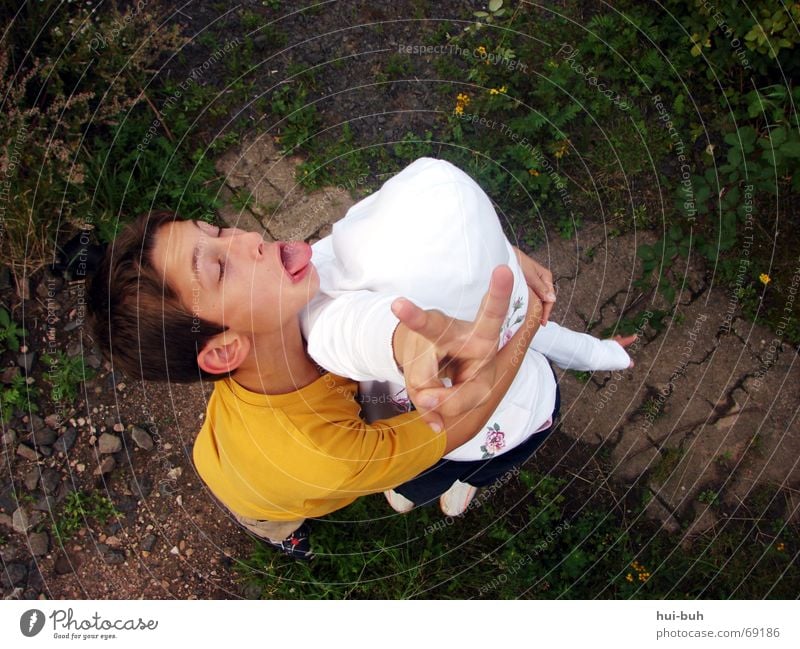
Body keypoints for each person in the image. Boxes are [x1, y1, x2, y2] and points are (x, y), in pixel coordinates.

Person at [88, 209, 549, 559]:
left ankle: (394, 484)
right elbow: (461, 422)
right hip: (264, 500)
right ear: (225, 351)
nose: (248, 237)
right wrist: (527, 319)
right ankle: (289, 537)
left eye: (216, 231)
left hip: (221, 457)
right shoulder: (326, 454)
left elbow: (398, 228)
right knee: (281, 520)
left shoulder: (283, 317)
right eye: (220, 268)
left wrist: (503, 256)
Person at [302, 158, 636, 516]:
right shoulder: (499, 293)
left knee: (440, 473)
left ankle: (428, 488)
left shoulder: (338, 294)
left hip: (478, 434)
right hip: (517, 420)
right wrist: (605, 354)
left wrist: (604, 353)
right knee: (443, 472)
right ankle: (433, 487)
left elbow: (327, 318)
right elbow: (546, 335)